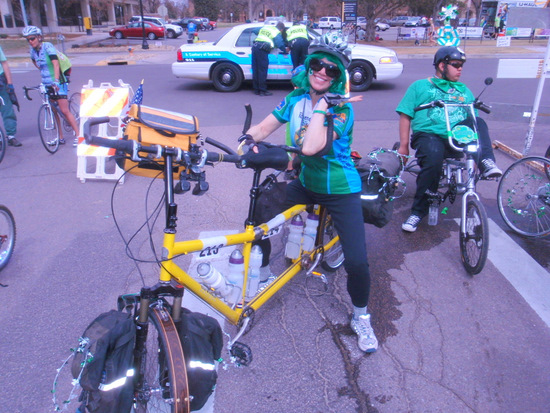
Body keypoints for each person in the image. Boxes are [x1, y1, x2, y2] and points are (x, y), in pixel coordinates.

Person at [243, 33, 378, 353]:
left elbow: (312, 146)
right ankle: (263, 276)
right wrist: (244, 144)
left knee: (357, 261)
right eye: (317, 64)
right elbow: (262, 128)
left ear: (339, 77)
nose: (322, 72)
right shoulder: (294, 99)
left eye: (332, 70)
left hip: (340, 189)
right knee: (259, 217)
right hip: (304, 182)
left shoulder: (342, 109)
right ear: (308, 65)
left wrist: (324, 107)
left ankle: (361, 316)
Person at [396, 46, 502, 233]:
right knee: (434, 158)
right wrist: (403, 146)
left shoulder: (464, 90)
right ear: (441, 65)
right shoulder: (420, 86)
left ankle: (486, 161)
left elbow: (472, 122)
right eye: (455, 65)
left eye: (461, 65)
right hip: (429, 135)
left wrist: (475, 154)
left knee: (478, 121)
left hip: (456, 135)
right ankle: (418, 211)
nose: (460, 69)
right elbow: (405, 115)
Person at [22, 26, 79, 146]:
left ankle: (79, 136)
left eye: (32, 38)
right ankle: (60, 137)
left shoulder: (48, 47)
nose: (30, 41)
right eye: (28, 39)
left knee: (64, 110)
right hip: (47, 82)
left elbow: (56, 64)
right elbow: (35, 62)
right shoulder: (33, 51)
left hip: (58, 80)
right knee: (54, 111)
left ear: (39, 37)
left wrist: (56, 81)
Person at [251, 21, 287, 96]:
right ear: (281, 29)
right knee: (262, 70)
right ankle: (262, 91)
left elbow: (254, 30)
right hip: (262, 50)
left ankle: (256, 90)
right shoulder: (276, 32)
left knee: (256, 69)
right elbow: (280, 44)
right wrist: (285, 51)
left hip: (255, 47)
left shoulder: (266, 27)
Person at [0, 45, 21, 147]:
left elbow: (4, 63)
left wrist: (10, 84)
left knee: (7, 109)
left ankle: (11, 136)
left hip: (1, 81)